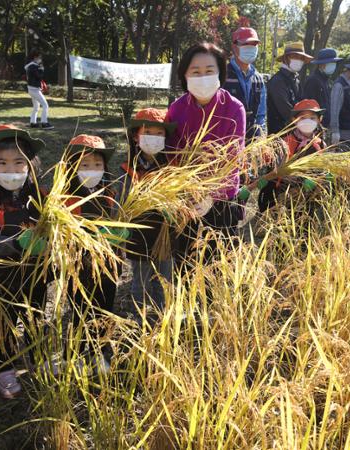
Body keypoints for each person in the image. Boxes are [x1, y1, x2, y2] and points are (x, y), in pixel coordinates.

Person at [0, 124, 47, 399]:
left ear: (30, 164)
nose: (11, 169)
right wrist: (17, 243)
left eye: (19, 162)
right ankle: (3, 368)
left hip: (36, 272)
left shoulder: (41, 196)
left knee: (35, 316)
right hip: (1, 276)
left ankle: (36, 358)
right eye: (2, 163)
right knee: (3, 322)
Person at [165, 42, 245, 266]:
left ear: (220, 73)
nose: (203, 77)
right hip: (186, 199)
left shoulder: (233, 108)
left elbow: (233, 160)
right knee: (186, 265)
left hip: (222, 200)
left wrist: (212, 195)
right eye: (195, 71)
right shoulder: (177, 109)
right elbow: (172, 155)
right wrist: (186, 192)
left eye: (209, 71)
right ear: (185, 75)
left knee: (218, 266)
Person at [64, 134, 122, 370]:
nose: (92, 170)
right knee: (79, 310)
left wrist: (119, 237)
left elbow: (119, 224)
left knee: (105, 308)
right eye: (84, 165)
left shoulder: (110, 195)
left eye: (97, 165)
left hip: (107, 264)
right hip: (76, 266)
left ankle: (101, 351)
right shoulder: (64, 198)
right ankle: (76, 354)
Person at [117, 109, 176, 311]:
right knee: (140, 282)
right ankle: (138, 321)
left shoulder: (170, 168)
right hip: (138, 236)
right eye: (148, 132)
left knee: (164, 280)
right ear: (136, 136)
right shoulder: (127, 171)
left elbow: (179, 199)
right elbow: (121, 205)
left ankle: (164, 318)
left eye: (159, 134)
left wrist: (174, 210)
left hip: (164, 234)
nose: (154, 138)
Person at [242, 99, 326, 212]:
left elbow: (323, 171)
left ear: (319, 120)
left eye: (312, 118)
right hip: (281, 191)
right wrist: (253, 186)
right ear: (294, 120)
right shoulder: (284, 142)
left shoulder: (320, 144)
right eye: (302, 118)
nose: (308, 122)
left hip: (305, 196)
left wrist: (315, 180)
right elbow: (274, 171)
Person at [224, 27, 266, 143]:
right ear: (234, 47)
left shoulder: (258, 79)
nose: (250, 48)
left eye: (254, 45)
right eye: (245, 44)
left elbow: (261, 115)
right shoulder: (223, 75)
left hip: (252, 143)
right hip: (228, 142)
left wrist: (261, 140)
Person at [267, 42, 313, 135]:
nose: (298, 60)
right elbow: (286, 111)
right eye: (295, 56)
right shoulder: (278, 81)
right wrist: (305, 124)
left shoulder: (296, 79)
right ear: (285, 58)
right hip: (279, 135)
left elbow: (301, 103)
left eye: (301, 58)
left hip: (296, 134)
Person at [303, 48, 342, 129]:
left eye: (334, 62)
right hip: (314, 127)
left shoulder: (326, 80)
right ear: (321, 64)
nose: (333, 65)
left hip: (323, 127)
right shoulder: (313, 80)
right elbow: (309, 107)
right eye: (331, 63)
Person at [24, 51, 53, 130]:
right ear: (35, 58)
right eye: (39, 57)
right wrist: (42, 69)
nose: (40, 59)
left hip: (32, 89)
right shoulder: (33, 66)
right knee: (45, 105)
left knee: (36, 107)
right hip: (34, 89)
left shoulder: (31, 66)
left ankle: (33, 123)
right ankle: (44, 123)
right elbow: (39, 77)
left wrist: (40, 68)